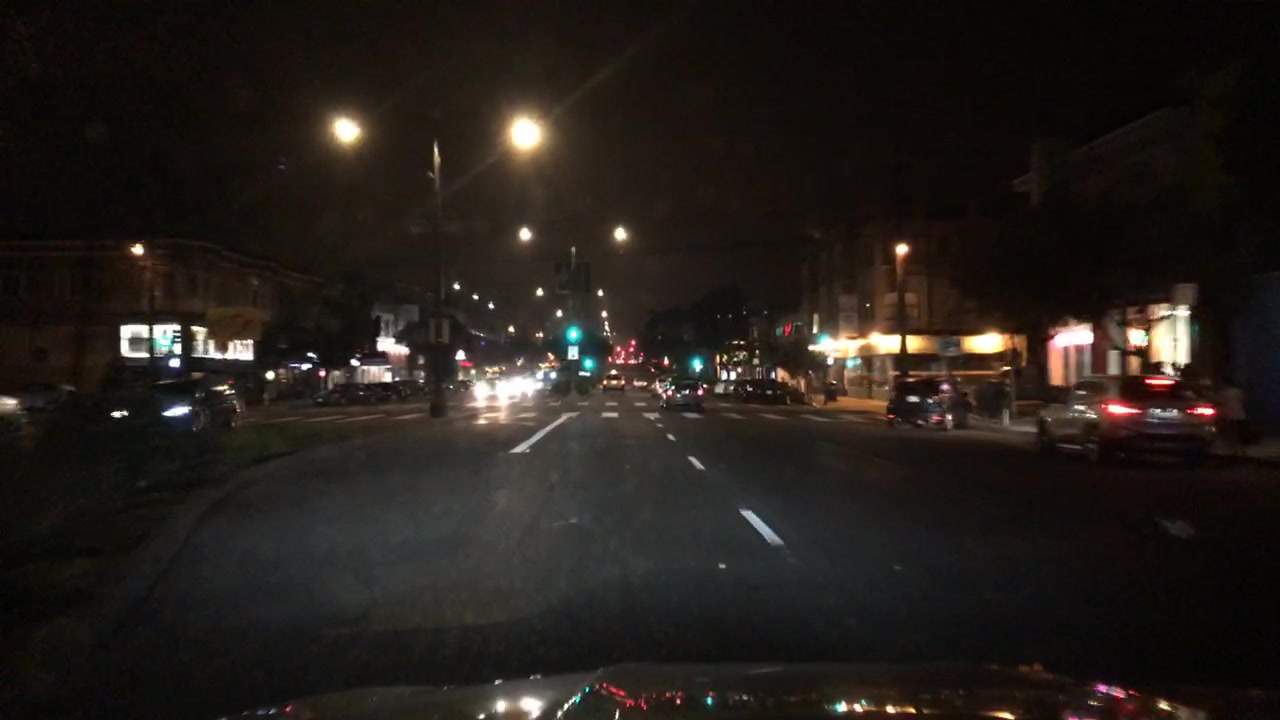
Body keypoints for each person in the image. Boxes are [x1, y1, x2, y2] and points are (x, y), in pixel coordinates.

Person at [1214, 376, 1247, 458]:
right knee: (1237, 435)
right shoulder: (1237, 392)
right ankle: (1240, 451)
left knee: (1230, 434)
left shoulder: (1223, 393)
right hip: (1239, 416)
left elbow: (1217, 402)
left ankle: (1234, 451)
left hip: (1228, 416)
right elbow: (1243, 402)